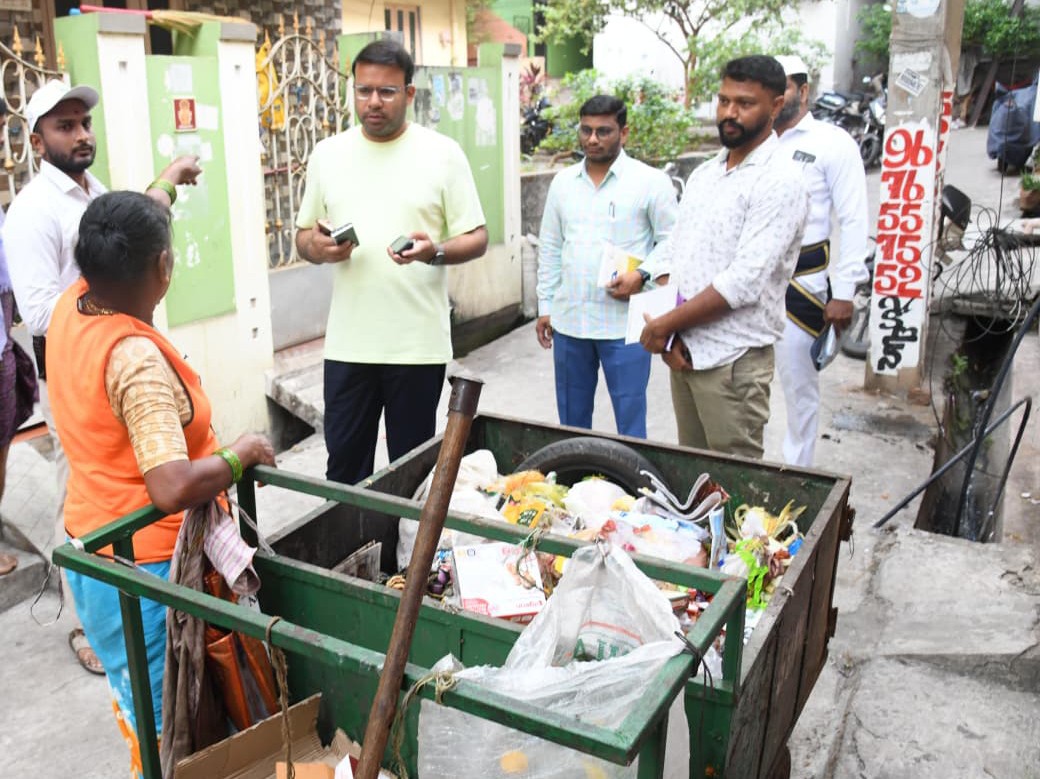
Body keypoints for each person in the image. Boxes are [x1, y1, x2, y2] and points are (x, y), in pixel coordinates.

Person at [45, 191, 276, 777]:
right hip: (145, 571)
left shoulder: (72, 303)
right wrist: (240, 453)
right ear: (163, 268)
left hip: (91, 543)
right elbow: (170, 485)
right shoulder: (134, 359)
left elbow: (127, 219)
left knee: (137, 702)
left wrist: (168, 184)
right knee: (168, 725)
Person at [3, 79, 202, 674]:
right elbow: (38, 311)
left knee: (133, 483)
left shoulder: (96, 192)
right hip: (78, 363)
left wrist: (165, 183)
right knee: (92, 494)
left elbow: (136, 224)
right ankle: (96, 627)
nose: (82, 134)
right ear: (38, 142)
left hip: (118, 352)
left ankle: (137, 610)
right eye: (65, 127)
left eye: (84, 123)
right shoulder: (33, 212)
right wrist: (105, 279)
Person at [294, 39, 487, 485]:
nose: (373, 102)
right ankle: (352, 557)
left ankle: (403, 558)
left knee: (411, 470)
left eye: (387, 92)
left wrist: (434, 251)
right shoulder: (328, 154)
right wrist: (318, 248)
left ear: (410, 94)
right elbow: (304, 237)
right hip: (348, 346)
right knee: (344, 468)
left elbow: (477, 237)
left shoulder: (443, 154)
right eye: (364, 91)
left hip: (416, 348)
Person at [639, 55, 809, 459]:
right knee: (694, 487)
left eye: (745, 103)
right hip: (684, 353)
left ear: (776, 105)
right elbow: (676, 255)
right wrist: (672, 336)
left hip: (733, 364)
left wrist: (664, 326)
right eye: (724, 101)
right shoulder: (706, 173)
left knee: (736, 495)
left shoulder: (780, 180)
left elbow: (743, 282)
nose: (730, 113)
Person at [535, 95, 677, 438]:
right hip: (570, 323)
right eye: (586, 130)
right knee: (571, 423)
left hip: (625, 327)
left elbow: (673, 241)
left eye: (603, 131)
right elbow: (551, 247)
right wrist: (545, 306)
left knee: (630, 423)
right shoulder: (563, 183)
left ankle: (632, 488)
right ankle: (574, 486)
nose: (592, 139)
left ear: (623, 133)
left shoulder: (650, 182)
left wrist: (641, 275)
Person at [772, 55, 870, 467]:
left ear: (804, 91)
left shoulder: (832, 143)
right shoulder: (753, 142)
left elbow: (853, 218)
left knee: (799, 389)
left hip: (801, 287)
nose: (776, 98)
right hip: (747, 285)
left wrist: (844, 292)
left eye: (784, 88)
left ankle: (796, 474)